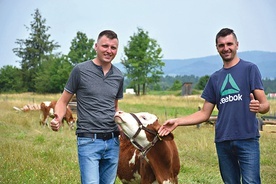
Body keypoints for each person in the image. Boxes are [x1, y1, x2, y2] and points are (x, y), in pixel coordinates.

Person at [158, 28, 270, 184]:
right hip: (223, 141)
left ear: (237, 45)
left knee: (251, 182)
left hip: (247, 139)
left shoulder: (250, 69)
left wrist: (260, 107)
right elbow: (204, 113)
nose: (226, 48)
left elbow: (265, 105)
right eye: (221, 45)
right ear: (217, 48)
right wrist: (177, 121)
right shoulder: (215, 78)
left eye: (229, 44)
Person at [50, 30, 124, 184]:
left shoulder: (118, 76)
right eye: (105, 46)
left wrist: (122, 122)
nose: (109, 51)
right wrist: (58, 117)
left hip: (113, 141)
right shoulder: (80, 70)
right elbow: (63, 101)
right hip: (88, 140)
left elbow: (114, 107)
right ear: (96, 46)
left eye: (113, 48)